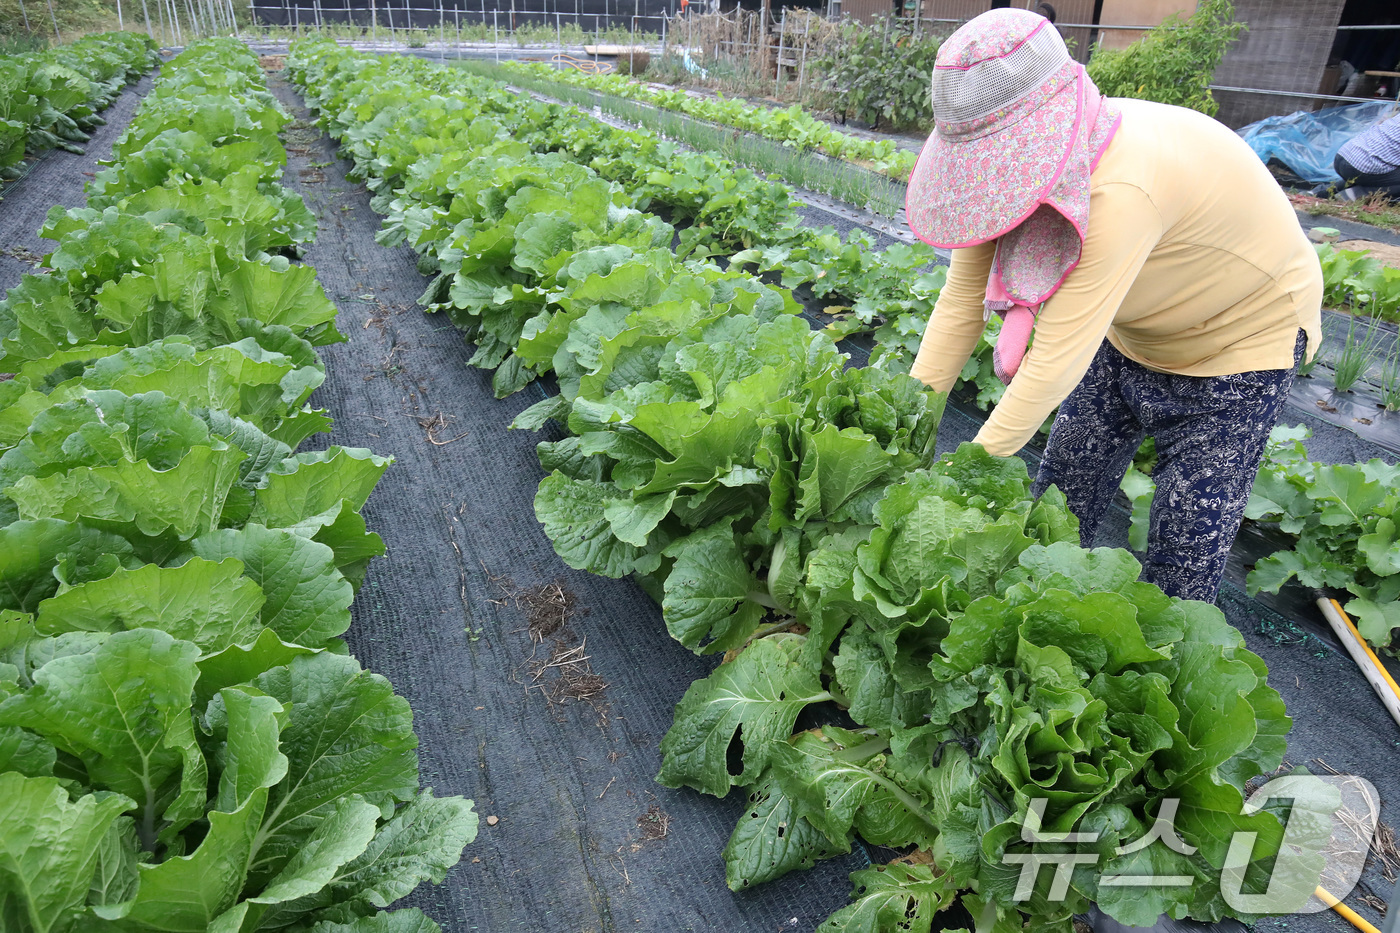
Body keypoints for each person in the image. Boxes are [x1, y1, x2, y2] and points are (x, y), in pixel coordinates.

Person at [905, 8, 1323, 603]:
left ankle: (1162, 662)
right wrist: (903, 434)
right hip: (1132, 327)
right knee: (1062, 492)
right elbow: (958, 304)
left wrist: (955, 476)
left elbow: (1052, 361)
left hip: (1242, 338)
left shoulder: (1121, 191)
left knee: (1183, 547)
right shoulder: (1012, 181)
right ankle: (1040, 622)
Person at [1334, 113, 1400, 198]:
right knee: (1378, 174)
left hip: (1343, 155)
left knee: (1376, 177)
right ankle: (1356, 194)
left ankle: (1323, 192)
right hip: (1362, 166)